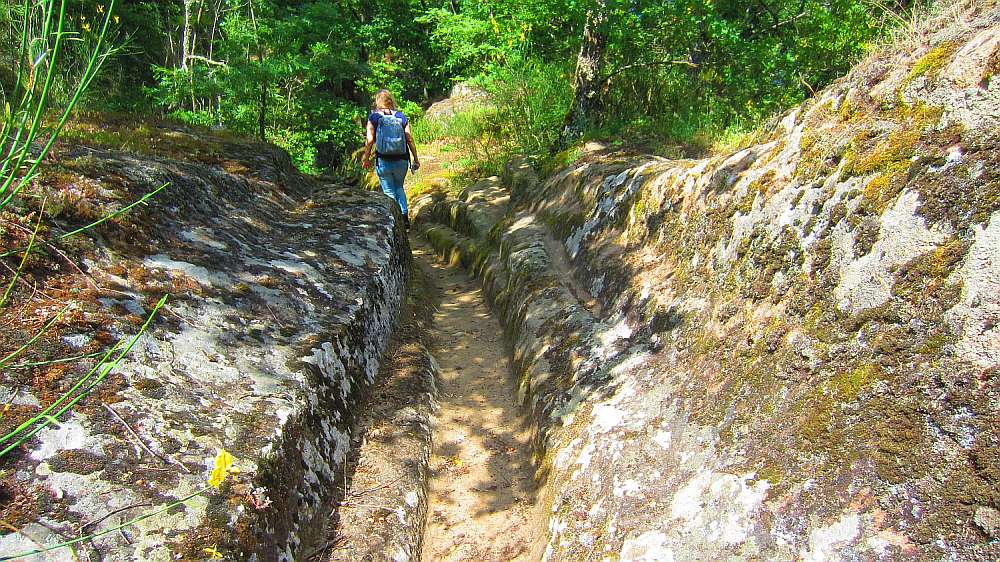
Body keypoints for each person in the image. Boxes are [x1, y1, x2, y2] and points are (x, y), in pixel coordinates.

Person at [362, 89, 420, 229]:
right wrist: (416, 158)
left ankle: (395, 220)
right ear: (391, 101)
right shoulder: (401, 116)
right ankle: (404, 217)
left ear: (377, 102)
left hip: (383, 161)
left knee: (388, 191)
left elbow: (370, 140)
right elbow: (409, 139)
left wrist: (366, 158)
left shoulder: (374, 117)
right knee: (399, 187)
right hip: (401, 160)